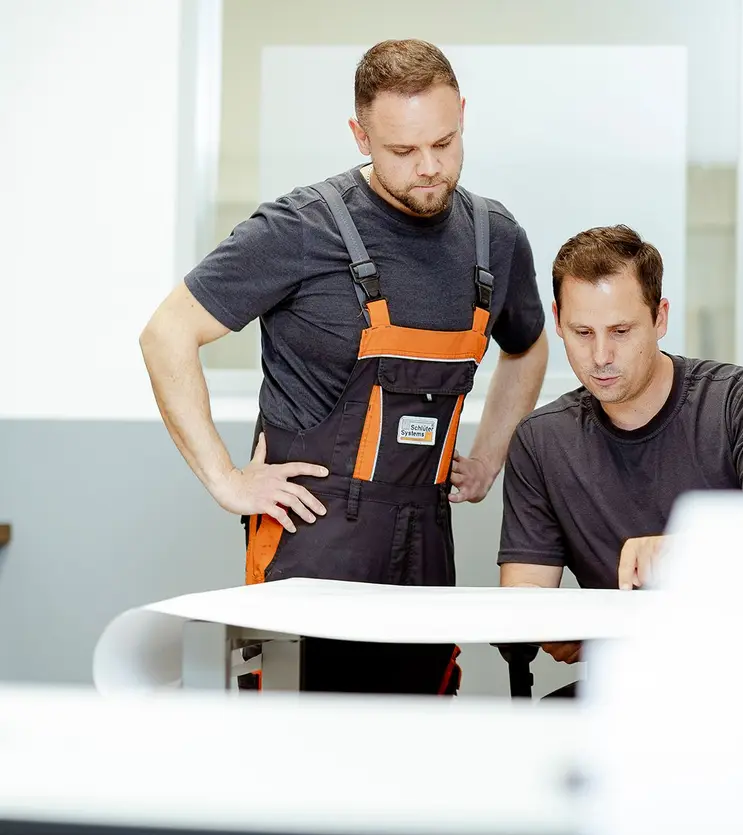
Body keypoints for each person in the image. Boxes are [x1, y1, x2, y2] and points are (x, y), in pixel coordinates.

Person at [140, 39, 548, 694]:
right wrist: (225, 480)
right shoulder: (299, 229)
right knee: (293, 747)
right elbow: (167, 334)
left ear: (463, 115)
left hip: (424, 536)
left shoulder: (494, 239)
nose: (428, 168)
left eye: (444, 144)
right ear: (360, 135)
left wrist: (491, 453)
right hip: (309, 538)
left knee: (412, 735)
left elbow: (527, 345)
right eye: (402, 151)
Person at [496, 224, 743, 678]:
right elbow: (525, 589)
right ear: (557, 320)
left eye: (621, 331)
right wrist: (553, 621)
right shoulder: (541, 440)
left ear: (660, 318)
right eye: (582, 332)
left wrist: (691, 552)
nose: (601, 355)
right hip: (631, 687)